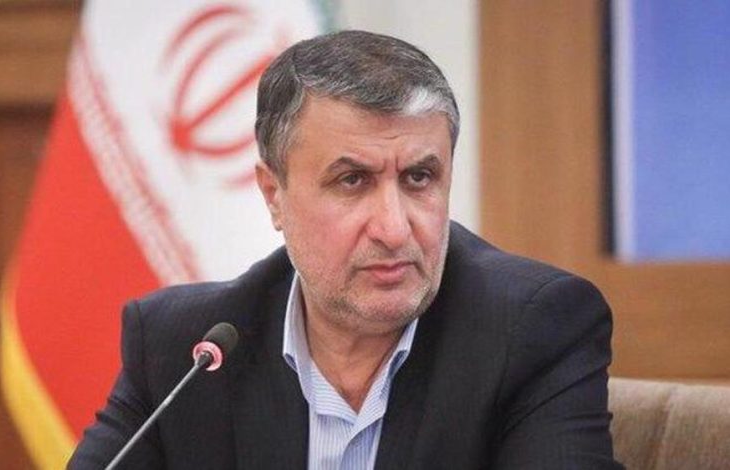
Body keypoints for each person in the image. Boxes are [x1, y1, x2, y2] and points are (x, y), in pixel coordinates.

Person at [69, 30, 621, 469]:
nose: (394, 229)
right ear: (274, 195)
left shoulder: (534, 331)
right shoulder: (185, 350)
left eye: (420, 178)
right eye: (352, 181)